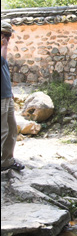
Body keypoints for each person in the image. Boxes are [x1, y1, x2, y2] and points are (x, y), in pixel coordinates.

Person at [1, 21, 24, 172]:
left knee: (11, 130)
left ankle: (6, 161)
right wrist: (3, 47)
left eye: (8, 36)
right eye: (5, 36)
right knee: (2, 131)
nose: (7, 39)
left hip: (6, 96)